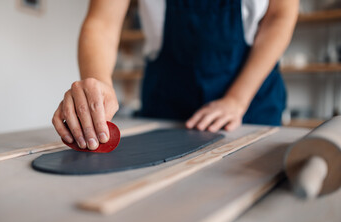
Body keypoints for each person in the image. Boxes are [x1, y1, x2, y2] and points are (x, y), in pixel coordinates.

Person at [52, 0, 299, 150]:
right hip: (167, 98)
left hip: (252, 101)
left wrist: (237, 98)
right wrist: (99, 83)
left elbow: (280, 15)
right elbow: (102, 23)